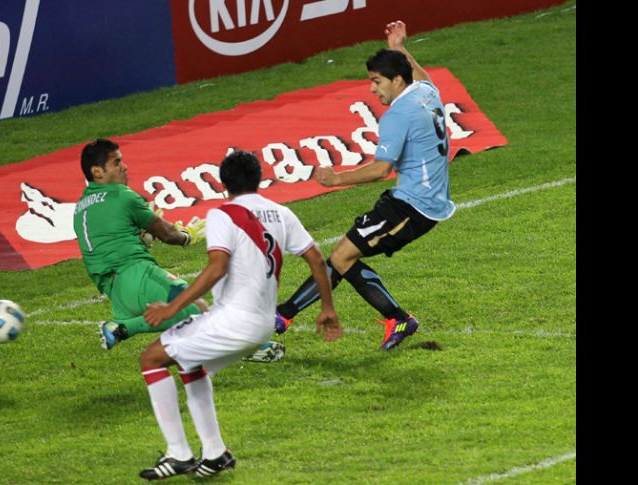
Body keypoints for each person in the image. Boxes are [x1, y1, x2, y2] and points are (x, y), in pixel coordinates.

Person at [136, 150, 341, 480]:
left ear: (223, 183)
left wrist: (172, 308)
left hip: (234, 320)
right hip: (262, 326)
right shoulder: (281, 212)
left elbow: (218, 267)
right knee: (192, 365)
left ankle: (179, 454)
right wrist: (327, 307)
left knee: (152, 358)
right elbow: (317, 260)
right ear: (259, 178)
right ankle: (215, 454)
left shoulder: (222, 214)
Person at [274, 20, 456, 351]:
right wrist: (399, 48)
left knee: (342, 257)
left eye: (376, 81)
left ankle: (398, 318)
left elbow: (380, 169)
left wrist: (334, 179)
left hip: (413, 206)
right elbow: (421, 76)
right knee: (344, 252)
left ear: (397, 80)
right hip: (420, 200)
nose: (372, 89)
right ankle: (283, 315)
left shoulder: (397, 115)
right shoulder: (426, 91)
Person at [71, 138, 282, 362]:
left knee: (191, 313)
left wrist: (141, 237)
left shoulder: (80, 208)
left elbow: (108, 243)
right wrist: (187, 237)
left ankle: (242, 348)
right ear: (97, 172)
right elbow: (168, 234)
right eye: (117, 162)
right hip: (137, 274)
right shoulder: (122, 196)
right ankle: (123, 328)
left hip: (114, 289)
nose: (125, 167)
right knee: (196, 309)